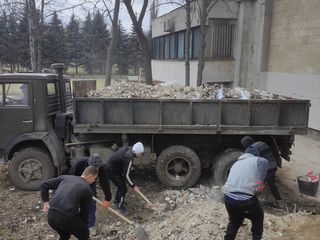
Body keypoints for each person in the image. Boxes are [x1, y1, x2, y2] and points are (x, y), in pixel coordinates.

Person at [40, 166, 99, 240]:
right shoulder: (87, 190)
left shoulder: (65, 178)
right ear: (90, 176)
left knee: (64, 235)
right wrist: (82, 228)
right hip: (66, 218)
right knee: (84, 234)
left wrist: (46, 203)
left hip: (51, 216)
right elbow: (84, 214)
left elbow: (44, 185)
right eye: (95, 178)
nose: (94, 181)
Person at [223, 146, 269, 240]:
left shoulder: (236, 163)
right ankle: (257, 237)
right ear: (255, 155)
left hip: (228, 198)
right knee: (258, 217)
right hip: (246, 200)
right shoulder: (256, 160)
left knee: (234, 221)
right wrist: (259, 182)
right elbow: (264, 162)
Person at [69, 154, 111, 234]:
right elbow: (71, 177)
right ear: (88, 164)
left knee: (91, 203)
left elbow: (105, 182)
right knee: (76, 202)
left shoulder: (101, 167)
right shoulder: (79, 163)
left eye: (96, 169)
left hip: (91, 182)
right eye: (93, 168)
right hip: (77, 181)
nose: (95, 170)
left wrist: (107, 198)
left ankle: (90, 225)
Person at [101, 142, 144, 215]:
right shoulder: (128, 159)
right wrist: (133, 186)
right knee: (123, 188)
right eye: (140, 154)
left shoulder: (128, 148)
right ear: (135, 152)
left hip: (113, 168)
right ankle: (119, 207)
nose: (141, 155)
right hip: (111, 172)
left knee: (121, 185)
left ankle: (117, 201)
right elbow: (126, 175)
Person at [241, 136, 283, 207]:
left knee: (258, 186)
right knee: (272, 184)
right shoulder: (261, 143)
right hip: (273, 166)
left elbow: (251, 162)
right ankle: (279, 201)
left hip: (267, 169)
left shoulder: (251, 149)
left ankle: (251, 203)